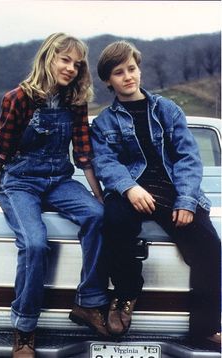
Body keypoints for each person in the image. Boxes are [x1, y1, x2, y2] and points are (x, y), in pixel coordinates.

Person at [0, 32, 110, 357]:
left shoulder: (76, 102)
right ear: (48, 57)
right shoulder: (18, 98)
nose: (70, 68)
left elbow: (84, 154)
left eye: (77, 64)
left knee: (98, 216)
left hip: (58, 180)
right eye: (64, 59)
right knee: (35, 243)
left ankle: (88, 303)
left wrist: (98, 196)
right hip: (20, 182)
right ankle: (24, 328)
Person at [90, 40, 221, 342]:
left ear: (139, 69)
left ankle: (205, 328)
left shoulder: (167, 110)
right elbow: (105, 162)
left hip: (173, 192)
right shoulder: (104, 122)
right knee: (113, 221)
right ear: (108, 80)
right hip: (132, 192)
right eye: (118, 72)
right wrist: (129, 188)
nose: (128, 76)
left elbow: (189, 157)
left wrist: (187, 201)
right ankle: (126, 294)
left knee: (211, 250)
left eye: (132, 69)